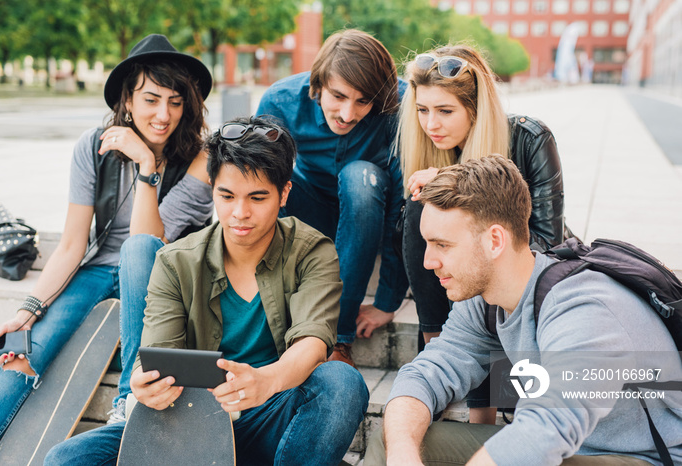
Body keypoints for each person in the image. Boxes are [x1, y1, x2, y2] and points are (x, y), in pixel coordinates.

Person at [45, 116, 369, 466]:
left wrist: (265, 379)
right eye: (226, 196)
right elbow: (156, 354)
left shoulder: (311, 251)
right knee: (67, 458)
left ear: (284, 193)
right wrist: (144, 385)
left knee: (341, 382)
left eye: (257, 198)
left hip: (271, 415)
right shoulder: (176, 262)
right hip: (188, 423)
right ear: (212, 186)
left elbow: (314, 343)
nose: (240, 213)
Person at [0, 34, 214, 458]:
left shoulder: (201, 158)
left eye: (176, 102)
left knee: (135, 254)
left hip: (159, 276)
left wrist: (146, 167)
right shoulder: (93, 145)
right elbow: (72, 244)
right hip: (95, 272)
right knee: (22, 358)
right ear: (127, 101)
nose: (164, 114)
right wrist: (27, 310)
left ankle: (128, 408)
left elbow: (149, 244)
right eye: (150, 99)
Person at [365, 155, 682, 465]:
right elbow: (427, 372)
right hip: (568, 447)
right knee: (395, 439)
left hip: (639, 457)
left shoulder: (584, 309)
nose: (428, 262)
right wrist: (402, 454)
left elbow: (545, 430)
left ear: (494, 241)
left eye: (442, 245)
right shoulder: (484, 301)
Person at [397, 44, 572, 422]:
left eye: (445, 111)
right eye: (423, 110)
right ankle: (439, 357)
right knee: (419, 209)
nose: (431, 125)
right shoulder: (430, 153)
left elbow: (547, 245)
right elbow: (422, 254)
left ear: (476, 110)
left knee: (480, 269)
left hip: (529, 283)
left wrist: (449, 183)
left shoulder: (529, 138)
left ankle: (483, 414)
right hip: (460, 311)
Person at [256, 29, 408, 367]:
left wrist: (387, 300)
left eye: (362, 101)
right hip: (310, 204)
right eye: (338, 96)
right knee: (268, 180)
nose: (347, 114)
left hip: (369, 204)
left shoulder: (401, 106)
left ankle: (338, 339)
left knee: (360, 177)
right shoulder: (279, 101)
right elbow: (251, 189)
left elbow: (403, 206)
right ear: (318, 84)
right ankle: (271, 322)